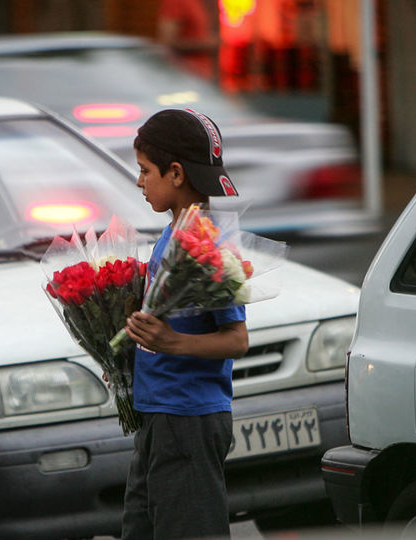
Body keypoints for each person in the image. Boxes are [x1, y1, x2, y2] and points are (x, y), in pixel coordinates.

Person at [120, 109, 248, 539]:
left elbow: (236, 339)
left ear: (175, 173)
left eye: (144, 170)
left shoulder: (208, 238)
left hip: (187, 417)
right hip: (159, 411)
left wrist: (171, 342)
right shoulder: (175, 229)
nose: (139, 181)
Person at [157, 0, 219, 80]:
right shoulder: (176, 2)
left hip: (205, 77)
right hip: (184, 76)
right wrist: (206, 44)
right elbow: (166, 43)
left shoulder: (205, 3)